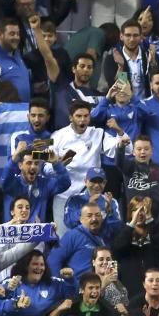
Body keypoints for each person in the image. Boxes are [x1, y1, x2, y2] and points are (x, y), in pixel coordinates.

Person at [51, 100, 120, 234]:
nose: (83, 119)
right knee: (63, 237)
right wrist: (57, 165)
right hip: (64, 195)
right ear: (71, 117)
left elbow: (123, 148)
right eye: (78, 116)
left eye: (86, 116)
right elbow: (45, 167)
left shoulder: (98, 134)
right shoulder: (58, 136)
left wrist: (120, 133)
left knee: (94, 238)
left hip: (90, 194)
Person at [1, 144, 71, 224]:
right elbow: (4, 182)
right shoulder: (13, 183)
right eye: (29, 163)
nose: (33, 166)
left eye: (36, 163)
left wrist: (56, 163)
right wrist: (14, 158)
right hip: (14, 231)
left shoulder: (45, 184)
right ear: (20, 165)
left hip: (38, 232)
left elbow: (65, 183)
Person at [112, 198, 159, 300]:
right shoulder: (122, 231)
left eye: (143, 210)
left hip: (153, 289)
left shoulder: (154, 230)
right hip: (129, 287)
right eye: (135, 210)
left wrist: (149, 218)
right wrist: (132, 223)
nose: (140, 213)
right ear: (130, 212)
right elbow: (117, 248)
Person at [48, 272, 118, 316]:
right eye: (91, 288)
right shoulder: (69, 308)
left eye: (97, 288)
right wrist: (59, 309)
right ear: (81, 290)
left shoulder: (107, 311)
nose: (95, 291)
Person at [47, 203, 110, 280]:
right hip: (77, 288)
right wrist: (58, 286)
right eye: (89, 216)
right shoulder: (72, 235)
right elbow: (53, 260)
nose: (94, 219)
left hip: (99, 287)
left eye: (97, 215)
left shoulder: (105, 237)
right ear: (81, 219)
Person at [115, 134, 159, 216]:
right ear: (133, 152)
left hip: (155, 217)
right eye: (139, 149)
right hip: (134, 218)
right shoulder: (128, 167)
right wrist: (121, 147)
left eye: (146, 149)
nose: (143, 152)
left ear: (152, 151)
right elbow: (118, 162)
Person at [63, 167, 122, 240]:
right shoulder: (74, 199)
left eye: (100, 182)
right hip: (80, 242)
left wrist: (109, 212)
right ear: (85, 182)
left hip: (103, 244)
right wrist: (88, 206)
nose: (97, 185)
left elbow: (116, 230)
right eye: (93, 181)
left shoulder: (112, 202)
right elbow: (69, 223)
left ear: (105, 183)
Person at [91, 246, 129, 316]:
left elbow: (126, 306)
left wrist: (125, 313)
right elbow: (87, 303)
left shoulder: (118, 283)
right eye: (101, 259)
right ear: (94, 262)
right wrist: (104, 284)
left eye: (108, 259)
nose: (105, 262)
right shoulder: (87, 281)